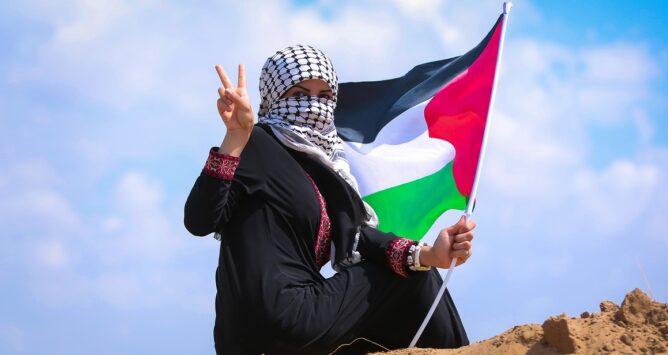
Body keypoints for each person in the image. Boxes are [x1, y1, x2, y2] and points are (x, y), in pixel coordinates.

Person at [184, 45, 475, 354]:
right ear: (273, 96)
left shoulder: (327, 170)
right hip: (279, 318)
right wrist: (234, 139)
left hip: (296, 321)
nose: (313, 104)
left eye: (324, 96)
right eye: (299, 92)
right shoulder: (256, 142)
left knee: (414, 269)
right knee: (413, 278)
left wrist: (431, 254)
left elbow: (358, 238)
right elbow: (200, 220)